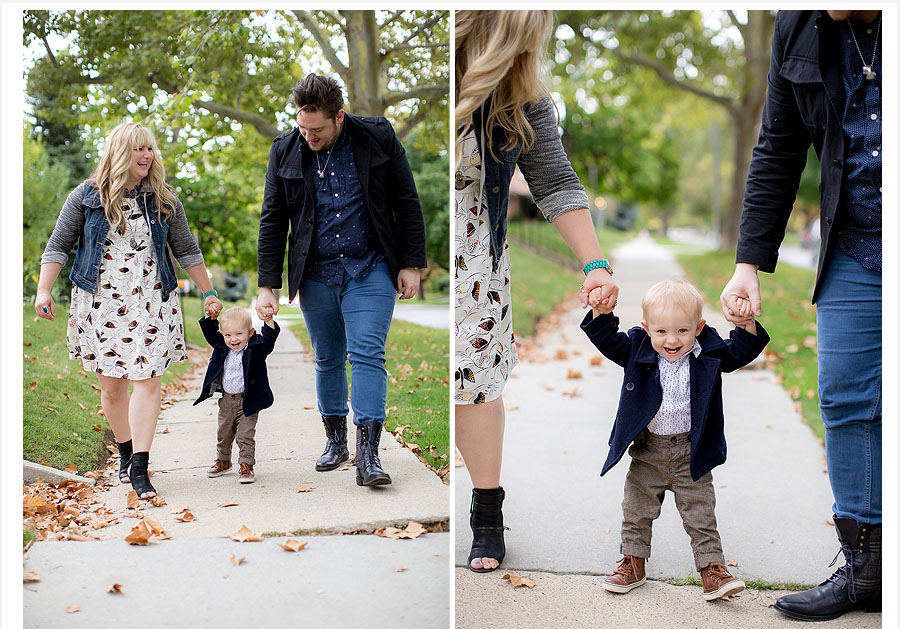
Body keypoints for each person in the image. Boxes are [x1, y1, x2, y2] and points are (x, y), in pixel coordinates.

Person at [720, 10, 882, 620]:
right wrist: (747, 264)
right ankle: (865, 570)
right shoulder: (799, 28)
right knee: (846, 399)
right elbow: (779, 149)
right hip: (855, 241)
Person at [455, 10, 618, 573]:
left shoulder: (521, 95)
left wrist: (595, 262)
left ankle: (485, 510)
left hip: (474, 257)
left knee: (473, 388)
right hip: (422, 246)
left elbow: (554, 180)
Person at [35, 122, 223, 500]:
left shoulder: (163, 198)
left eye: (150, 149)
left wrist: (209, 292)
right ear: (120, 152)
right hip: (101, 302)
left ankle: (139, 466)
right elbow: (58, 244)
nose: (146, 155)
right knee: (112, 387)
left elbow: (187, 250)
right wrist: (43, 289)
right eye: (138, 149)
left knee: (147, 380)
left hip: (152, 300)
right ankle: (124, 452)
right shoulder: (87, 196)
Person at [256, 73, 427, 488]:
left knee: (367, 353)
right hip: (314, 273)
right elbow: (273, 219)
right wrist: (267, 284)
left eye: (317, 129)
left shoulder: (377, 137)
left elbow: (407, 200)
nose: (308, 135)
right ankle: (336, 442)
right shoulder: (284, 151)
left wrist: (411, 263)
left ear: (339, 116)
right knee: (328, 358)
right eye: (302, 127)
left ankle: (369, 453)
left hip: (370, 267)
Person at [581, 280, 770, 599]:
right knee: (636, 510)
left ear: (698, 327)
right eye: (662, 332)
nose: (672, 340)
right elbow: (607, 340)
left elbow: (740, 352)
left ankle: (712, 569)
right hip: (647, 452)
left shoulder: (708, 352)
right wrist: (601, 312)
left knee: (701, 514)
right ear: (646, 328)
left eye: (682, 331)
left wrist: (746, 324)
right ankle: (633, 562)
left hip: (690, 454)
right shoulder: (637, 349)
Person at [193, 306, 280, 484]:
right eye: (228, 335)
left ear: (250, 332)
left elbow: (269, 341)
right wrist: (211, 317)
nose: (233, 339)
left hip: (248, 401)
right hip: (226, 400)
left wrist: (268, 321)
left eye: (239, 334)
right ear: (222, 334)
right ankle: (224, 460)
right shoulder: (221, 346)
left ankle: (246, 465)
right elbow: (210, 332)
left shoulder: (256, 347)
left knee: (245, 435)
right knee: (224, 433)